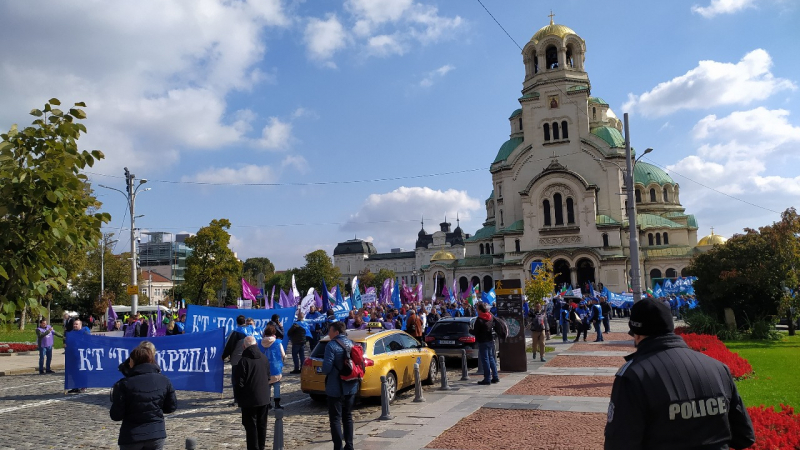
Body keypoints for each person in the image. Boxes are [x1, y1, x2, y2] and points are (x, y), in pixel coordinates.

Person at [604, 299, 755, 450]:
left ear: (637, 335)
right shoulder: (718, 368)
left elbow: (619, 442)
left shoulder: (633, 375)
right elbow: (744, 437)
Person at [110, 341, 178, 450]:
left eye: (131, 360)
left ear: (134, 362)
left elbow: (116, 415)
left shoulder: (124, 384)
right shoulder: (164, 380)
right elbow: (171, 407)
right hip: (156, 434)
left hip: (132, 436)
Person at [322, 321, 359, 450]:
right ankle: (350, 446)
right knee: (348, 416)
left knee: (335, 419)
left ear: (336, 332)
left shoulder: (331, 346)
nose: (328, 333)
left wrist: (322, 368)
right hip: (350, 385)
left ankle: (338, 447)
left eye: (330, 331)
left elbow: (326, 368)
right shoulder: (352, 343)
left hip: (335, 387)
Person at [235, 336, 271, 450]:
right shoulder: (264, 358)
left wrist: (238, 399)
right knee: (262, 426)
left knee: (251, 428)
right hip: (264, 398)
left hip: (249, 400)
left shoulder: (243, 361)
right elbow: (268, 377)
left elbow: (239, 383)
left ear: (244, 346)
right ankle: (261, 447)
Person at [222, 315, 252, 407]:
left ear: (237, 322)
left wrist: (224, 356)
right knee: (248, 378)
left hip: (237, 359)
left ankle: (237, 399)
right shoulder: (251, 330)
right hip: (249, 358)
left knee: (236, 380)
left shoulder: (236, 332)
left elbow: (229, 346)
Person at [472, 302, 499, 385]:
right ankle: (495, 376)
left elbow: (475, 331)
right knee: (491, 358)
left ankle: (487, 378)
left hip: (483, 341)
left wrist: (470, 330)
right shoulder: (490, 317)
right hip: (490, 340)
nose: (476, 310)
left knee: (485, 360)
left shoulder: (479, 319)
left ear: (480, 310)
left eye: (477, 309)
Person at [261, 324, 286, 409]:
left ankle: (267, 403)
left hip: (264, 368)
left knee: (267, 386)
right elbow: (283, 354)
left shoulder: (260, 342)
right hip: (276, 367)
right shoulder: (277, 342)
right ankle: (277, 404)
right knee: (276, 385)